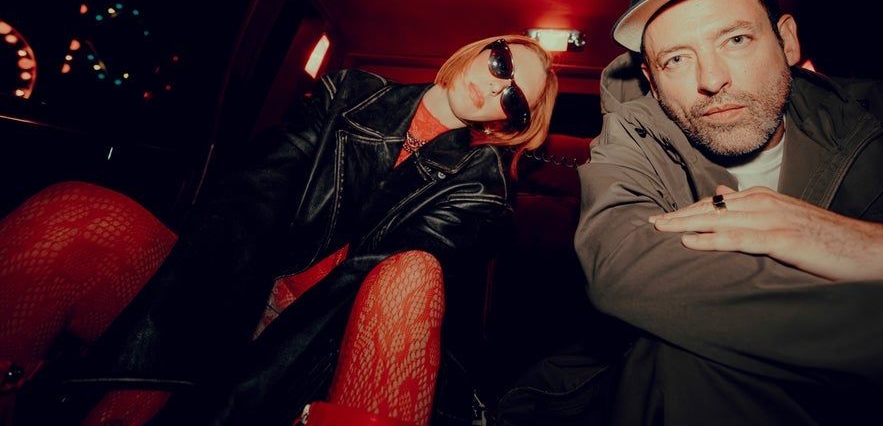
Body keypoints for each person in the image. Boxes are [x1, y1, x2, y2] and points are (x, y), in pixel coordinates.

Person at [1, 34, 558, 425]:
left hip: (320, 346)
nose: (495, 88)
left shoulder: (480, 184)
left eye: (514, 99)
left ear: (507, 123)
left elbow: (366, 281)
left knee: (411, 275)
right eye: (502, 63)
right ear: (482, 49)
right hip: (236, 287)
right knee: (75, 210)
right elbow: (253, 196)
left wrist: (240, 393)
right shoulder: (350, 93)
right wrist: (190, 343)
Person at [573, 0, 883, 424]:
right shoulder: (635, 136)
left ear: (786, 40)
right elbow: (620, 262)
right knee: (682, 351)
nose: (712, 79)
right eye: (677, 59)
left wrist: (866, 244)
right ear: (651, 78)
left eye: (736, 40)